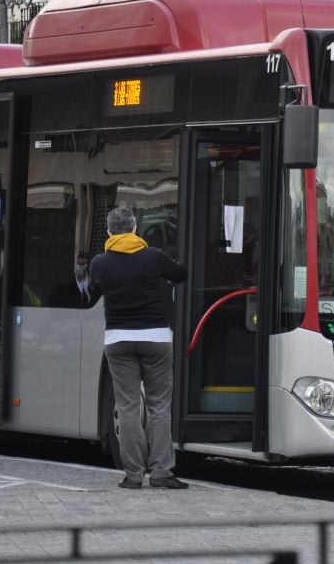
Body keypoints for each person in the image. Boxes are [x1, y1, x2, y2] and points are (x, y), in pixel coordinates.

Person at [89, 207, 189, 490]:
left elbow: (91, 293)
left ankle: (133, 475)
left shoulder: (100, 263)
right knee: (159, 405)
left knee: (128, 406)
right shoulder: (153, 256)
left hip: (118, 340)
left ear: (109, 232)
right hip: (155, 339)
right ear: (134, 229)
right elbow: (181, 273)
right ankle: (161, 471)